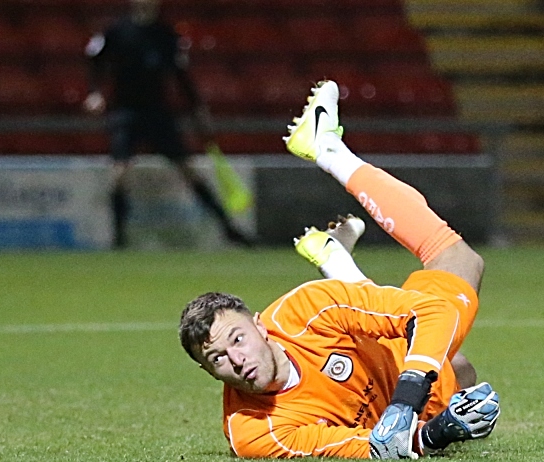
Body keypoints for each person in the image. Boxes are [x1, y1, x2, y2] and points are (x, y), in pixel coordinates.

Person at [178, 80, 500, 459]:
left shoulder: (305, 310)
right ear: (209, 373)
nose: (237, 360)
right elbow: (371, 448)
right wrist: (437, 433)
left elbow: (434, 312)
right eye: (217, 359)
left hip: (398, 372)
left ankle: (330, 152)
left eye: (237, 339)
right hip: (399, 383)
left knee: (457, 259)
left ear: (260, 325)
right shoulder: (253, 431)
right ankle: (341, 264)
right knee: (460, 368)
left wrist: (404, 401)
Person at [83, 0, 252, 248]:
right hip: (126, 113)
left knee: (189, 171)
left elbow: (181, 76)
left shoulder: (165, 35)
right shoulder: (116, 31)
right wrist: (95, 92)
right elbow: (95, 62)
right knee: (119, 174)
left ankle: (228, 229)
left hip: (158, 113)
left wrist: (197, 108)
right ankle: (118, 239)